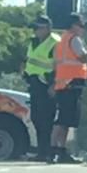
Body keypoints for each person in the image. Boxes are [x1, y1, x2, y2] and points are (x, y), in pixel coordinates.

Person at [48, 13, 87, 164]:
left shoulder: (62, 39)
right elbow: (83, 58)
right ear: (73, 25)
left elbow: (57, 63)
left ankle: (60, 151)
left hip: (63, 82)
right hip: (71, 83)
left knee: (66, 119)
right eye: (81, 25)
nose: (83, 29)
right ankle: (53, 151)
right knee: (62, 119)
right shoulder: (74, 39)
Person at [22, 15, 60, 161]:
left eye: (38, 27)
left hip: (47, 84)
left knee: (46, 119)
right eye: (34, 27)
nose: (35, 30)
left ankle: (48, 152)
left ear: (47, 28)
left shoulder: (54, 42)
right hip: (34, 84)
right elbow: (30, 60)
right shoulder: (33, 42)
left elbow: (58, 65)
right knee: (36, 118)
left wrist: (54, 85)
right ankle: (42, 151)